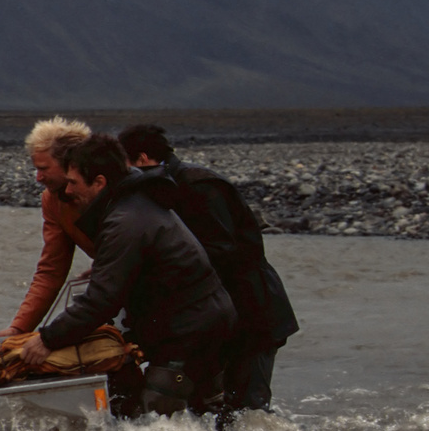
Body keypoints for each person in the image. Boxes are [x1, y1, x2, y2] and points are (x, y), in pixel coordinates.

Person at [20, 132, 235, 416]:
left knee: (155, 423)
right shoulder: (131, 204)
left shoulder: (125, 221)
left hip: (191, 329)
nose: (68, 192)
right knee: (206, 416)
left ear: (99, 182)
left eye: (73, 183)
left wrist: (46, 339)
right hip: (201, 319)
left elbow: (100, 300)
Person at [118, 124, 298, 411]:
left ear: (141, 159)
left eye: (124, 164)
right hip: (219, 315)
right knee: (213, 409)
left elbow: (225, 252)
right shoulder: (170, 187)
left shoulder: (200, 185)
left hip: (254, 313)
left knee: (247, 408)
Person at [0, 117, 97, 339]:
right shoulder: (52, 201)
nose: (38, 178)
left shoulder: (103, 189)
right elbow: (51, 270)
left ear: (71, 164)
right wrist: (19, 328)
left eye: (43, 169)